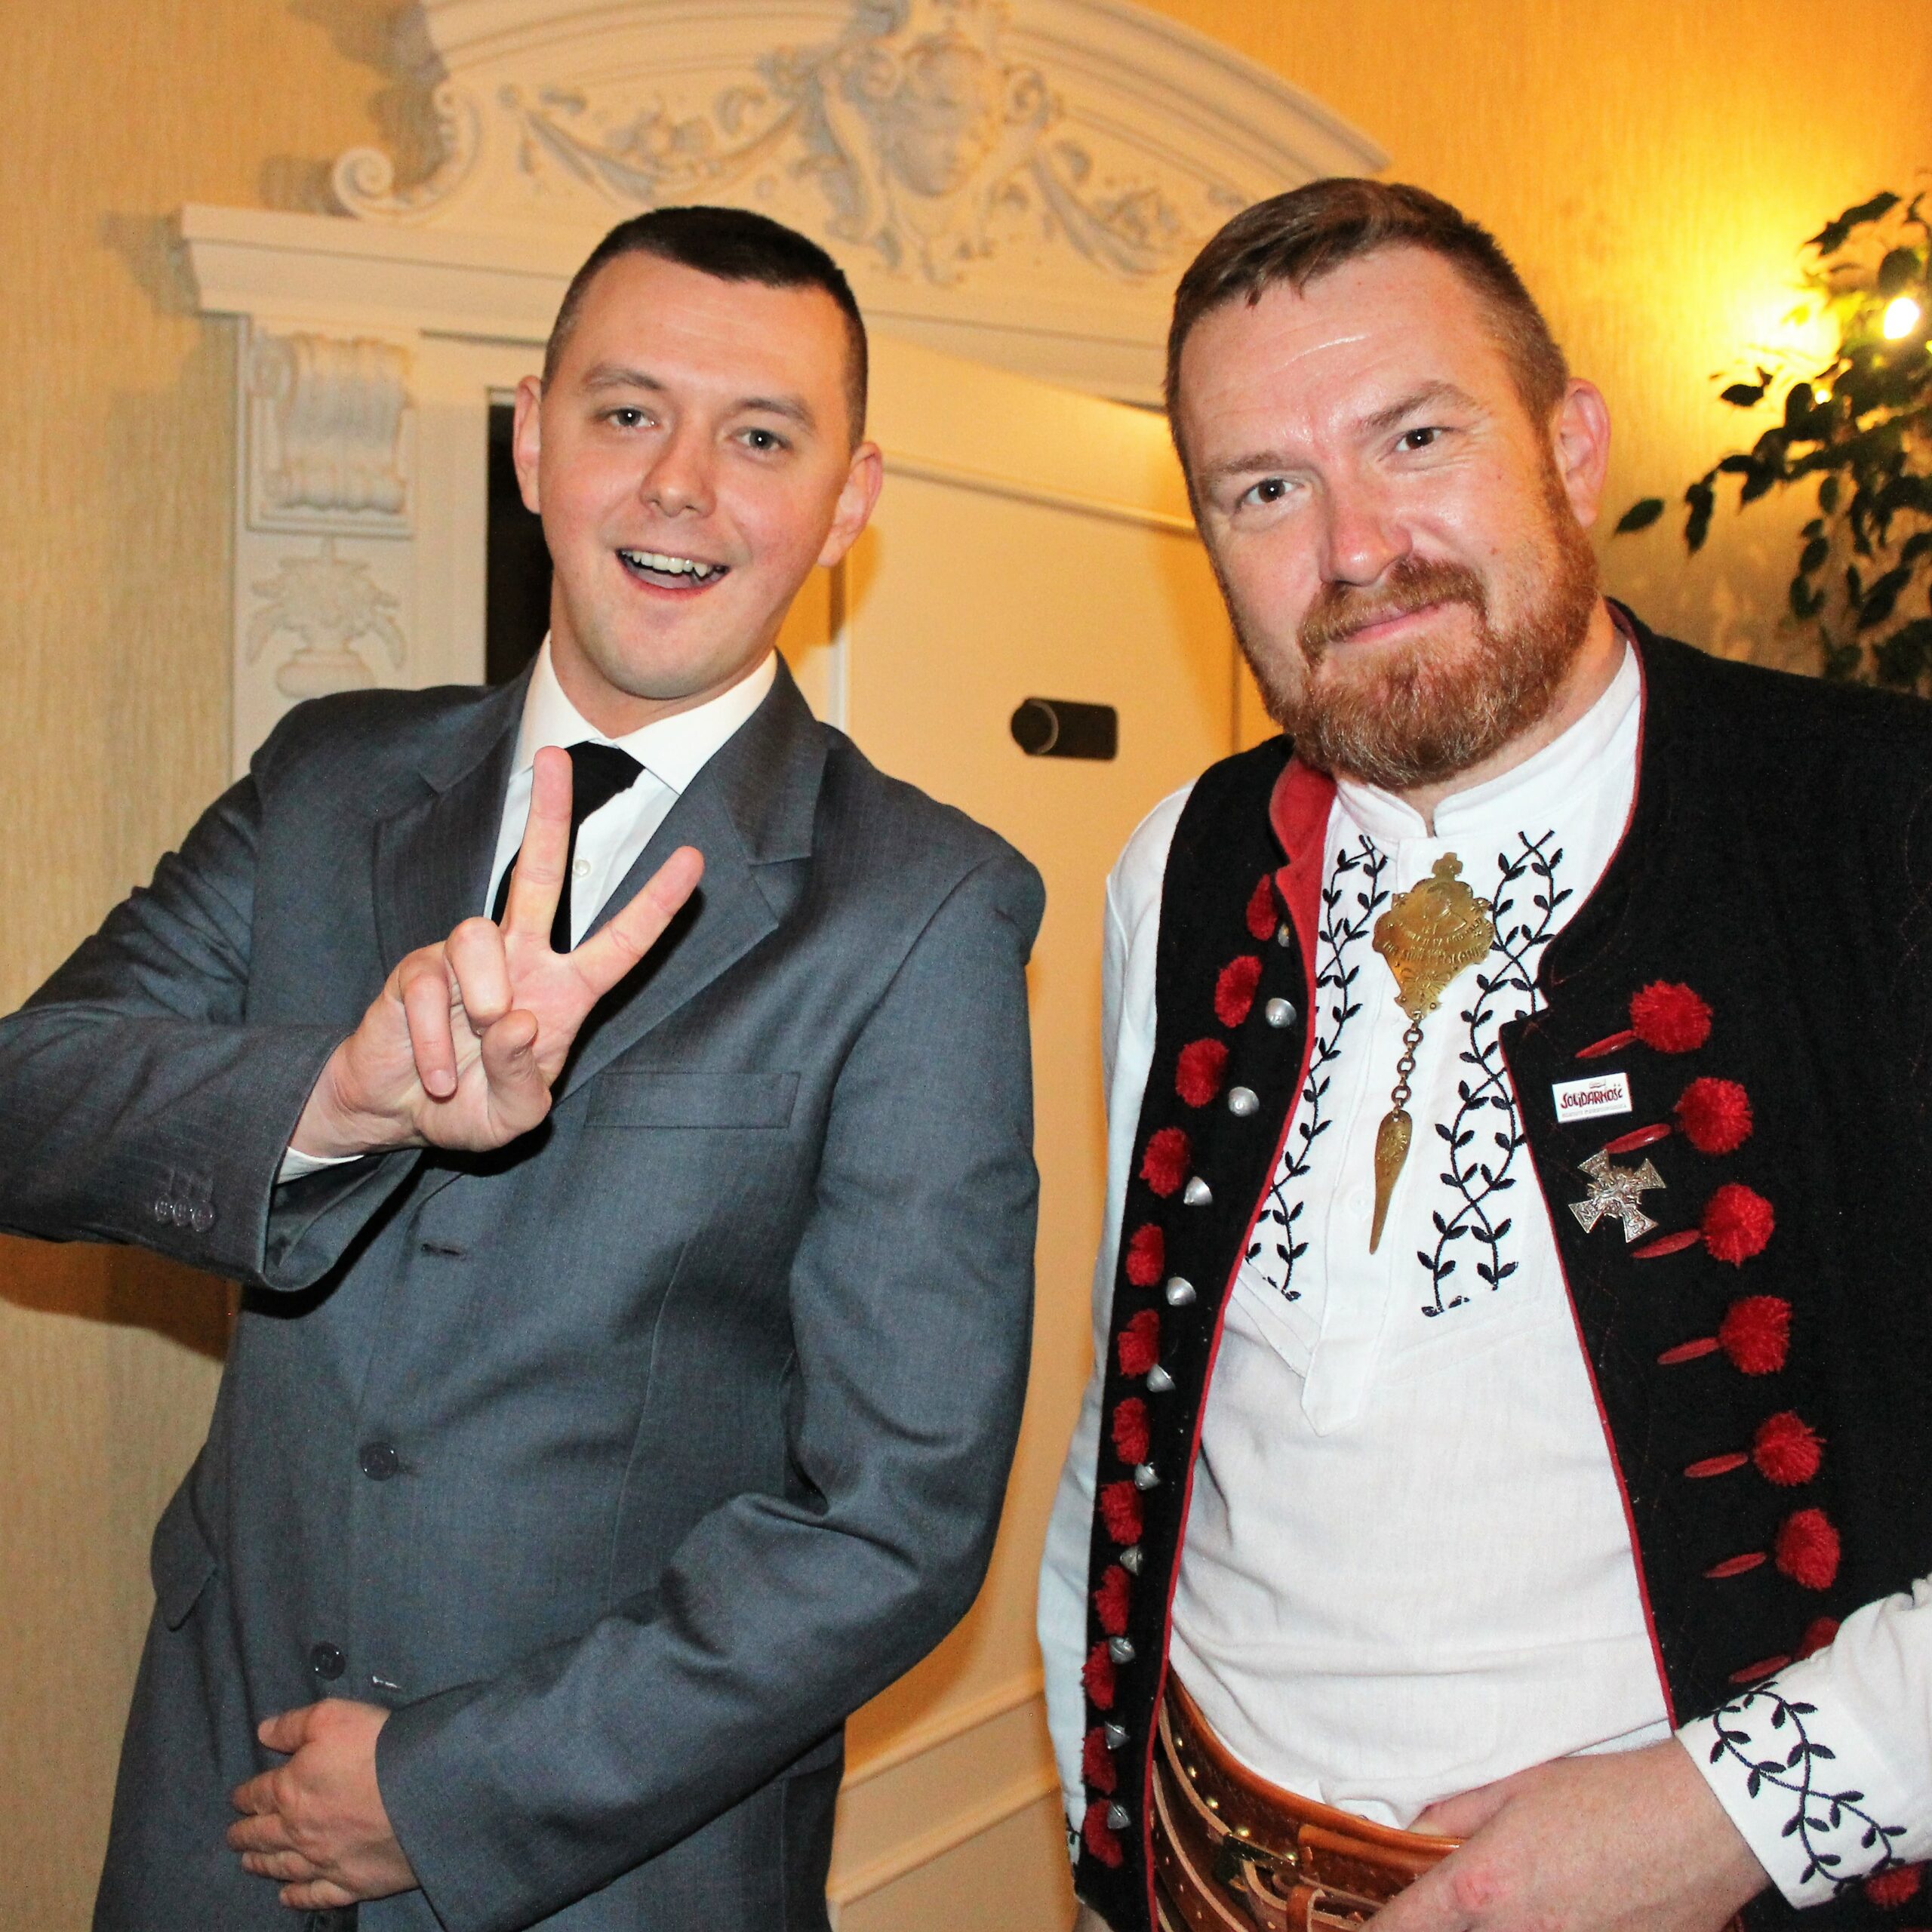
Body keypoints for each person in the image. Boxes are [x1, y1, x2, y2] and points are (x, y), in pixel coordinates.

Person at [0, 204, 1044, 1932]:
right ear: (531, 438)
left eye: (759, 437)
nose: (679, 486)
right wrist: (337, 1101)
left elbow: (891, 1517)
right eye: (627, 411)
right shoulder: (329, 776)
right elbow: (31, 1096)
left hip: (613, 1868)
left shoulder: (923, 906)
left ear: (847, 500)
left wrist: (441, 1789)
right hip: (215, 1811)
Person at [1038, 177, 1932, 1932]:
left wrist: (1747, 1807)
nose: (1353, 547)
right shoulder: (1178, 865)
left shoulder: (1879, 826)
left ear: (1568, 446)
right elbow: (1131, 1395)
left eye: (1414, 436)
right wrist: (1105, 1840)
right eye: (1264, 488)